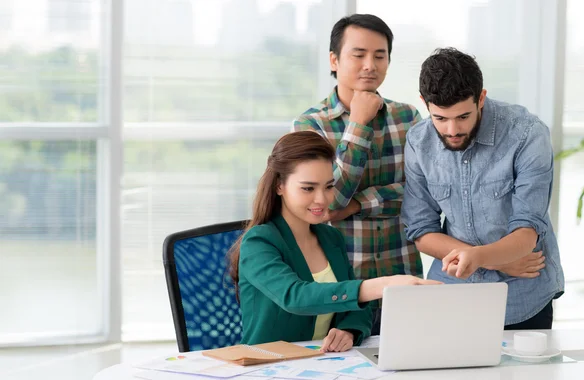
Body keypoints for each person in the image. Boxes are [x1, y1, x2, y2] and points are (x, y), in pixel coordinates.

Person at [229, 131, 440, 352]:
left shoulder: (330, 237)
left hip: (325, 366)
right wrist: (383, 285)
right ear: (279, 186)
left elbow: (357, 308)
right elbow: (295, 297)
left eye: (328, 186)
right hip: (269, 367)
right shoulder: (259, 242)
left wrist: (348, 330)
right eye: (308, 188)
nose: (322, 199)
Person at [402, 47, 565, 329]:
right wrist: (490, 261)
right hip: (452, 294)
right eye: (440, 118)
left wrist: (478, 258)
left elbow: (527, 232)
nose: (452, 130)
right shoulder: (418, 141)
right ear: (424, 103)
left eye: (463, 117)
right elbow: (421, 231)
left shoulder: (527, 133)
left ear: (481, 98)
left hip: (522, 294)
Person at [292, 14, 423, 335]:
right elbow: (328, 201)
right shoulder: (311, 126)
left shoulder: (408, 118)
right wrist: (359, 124)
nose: (370, 65)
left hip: (402, 273)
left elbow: (423, 194)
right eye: (359, 54)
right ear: (334, 60)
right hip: (344, 281)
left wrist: (357, 205)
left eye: (380, 55)